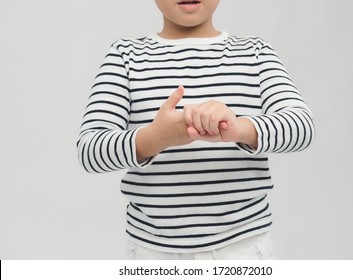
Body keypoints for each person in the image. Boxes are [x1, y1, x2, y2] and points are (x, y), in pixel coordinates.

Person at [77, 0, 315, 260]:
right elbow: (90, 149)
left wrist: (242, 129)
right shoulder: (125, 56)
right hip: (152, 253)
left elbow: (302, 126)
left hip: (242, 249)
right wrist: (153, 139)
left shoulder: (255, 52)